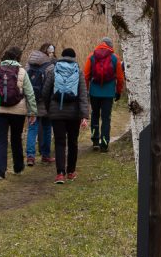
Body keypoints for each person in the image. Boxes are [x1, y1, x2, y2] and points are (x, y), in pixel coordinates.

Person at [41, 47, 89, 184]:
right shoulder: (78, 71)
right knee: (73, 142)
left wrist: (49, 108)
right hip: (74, 114)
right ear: (74, 57)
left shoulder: (53, 70)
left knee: (60, 142)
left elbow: (45, 92)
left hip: (57, 113)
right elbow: (83, 95)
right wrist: (84, 115)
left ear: (62, 56)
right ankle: (71, 172)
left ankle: (60, 174)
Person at [0, 46, 37, 179]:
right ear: (18, 57)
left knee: (1, 139)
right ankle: (18, 167)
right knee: (16, 138)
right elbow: (30, 93)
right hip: (18, 111)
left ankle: (0, 172)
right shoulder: (22, 71)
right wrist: (32, 112)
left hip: (0, 110)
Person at [84, 36, 125, 152]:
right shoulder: (115, 58)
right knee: (106, 118)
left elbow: (86, 75)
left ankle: (95, 141)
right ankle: (105, 144)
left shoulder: (91, 56)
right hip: (108, 93)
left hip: (94, 93)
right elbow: (120, 78)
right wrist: (118, 91)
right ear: (110, 46)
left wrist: (86, 91)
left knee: (95, 115)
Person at [25, 43, 56, 165]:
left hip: (31, 100)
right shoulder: (50, 66)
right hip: (46, 102)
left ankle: (30, 156)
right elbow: (51, 85)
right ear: (48, 52)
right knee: (47, 128)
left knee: (32, 128)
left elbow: (25, 83)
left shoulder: (28, 64)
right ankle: (45, 155)